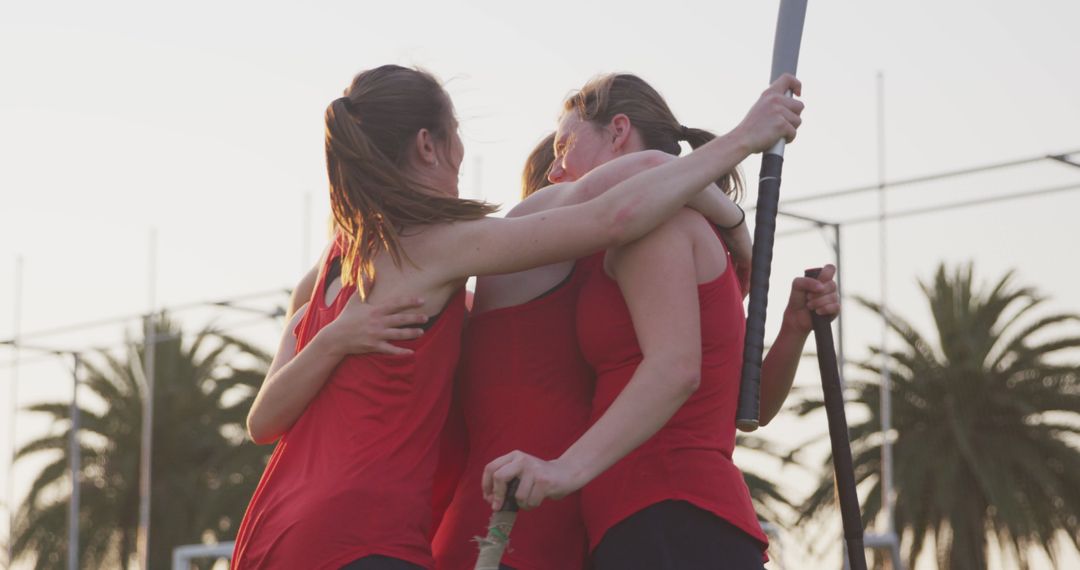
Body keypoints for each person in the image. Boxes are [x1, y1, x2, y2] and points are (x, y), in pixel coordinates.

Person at [232, 64, 806, 570]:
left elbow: (263, 422)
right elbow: (621, 201)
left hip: (277, 530)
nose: (555, 175)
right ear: (429, 146)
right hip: (447, 537)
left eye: (562, 150)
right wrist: (739, 189)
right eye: (458, 135)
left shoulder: (336, 266)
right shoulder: (450, 247)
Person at [482, 73, 835, 570]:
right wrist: (792, 331)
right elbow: (747, 406)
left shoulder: (656, 228)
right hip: (664, 518)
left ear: (618, 131)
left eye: (565, 147)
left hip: (666, 516)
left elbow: (677, 371)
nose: (556, 170)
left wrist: (564, 470)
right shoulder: (692, 237)